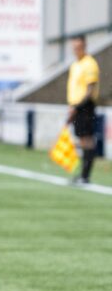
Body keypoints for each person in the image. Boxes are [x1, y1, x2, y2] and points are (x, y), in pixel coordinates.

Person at [66, 35, 100, 185]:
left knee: (87, 139)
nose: (76, 50)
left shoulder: (90, 63)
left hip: (85, 106)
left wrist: (77, 106)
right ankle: (82, 174)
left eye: (79, 47)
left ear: (84, 46)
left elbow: (89, 89)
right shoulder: (75, 65)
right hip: (76, 107)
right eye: (74, 48)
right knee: (81, 139)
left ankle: (86, 175)